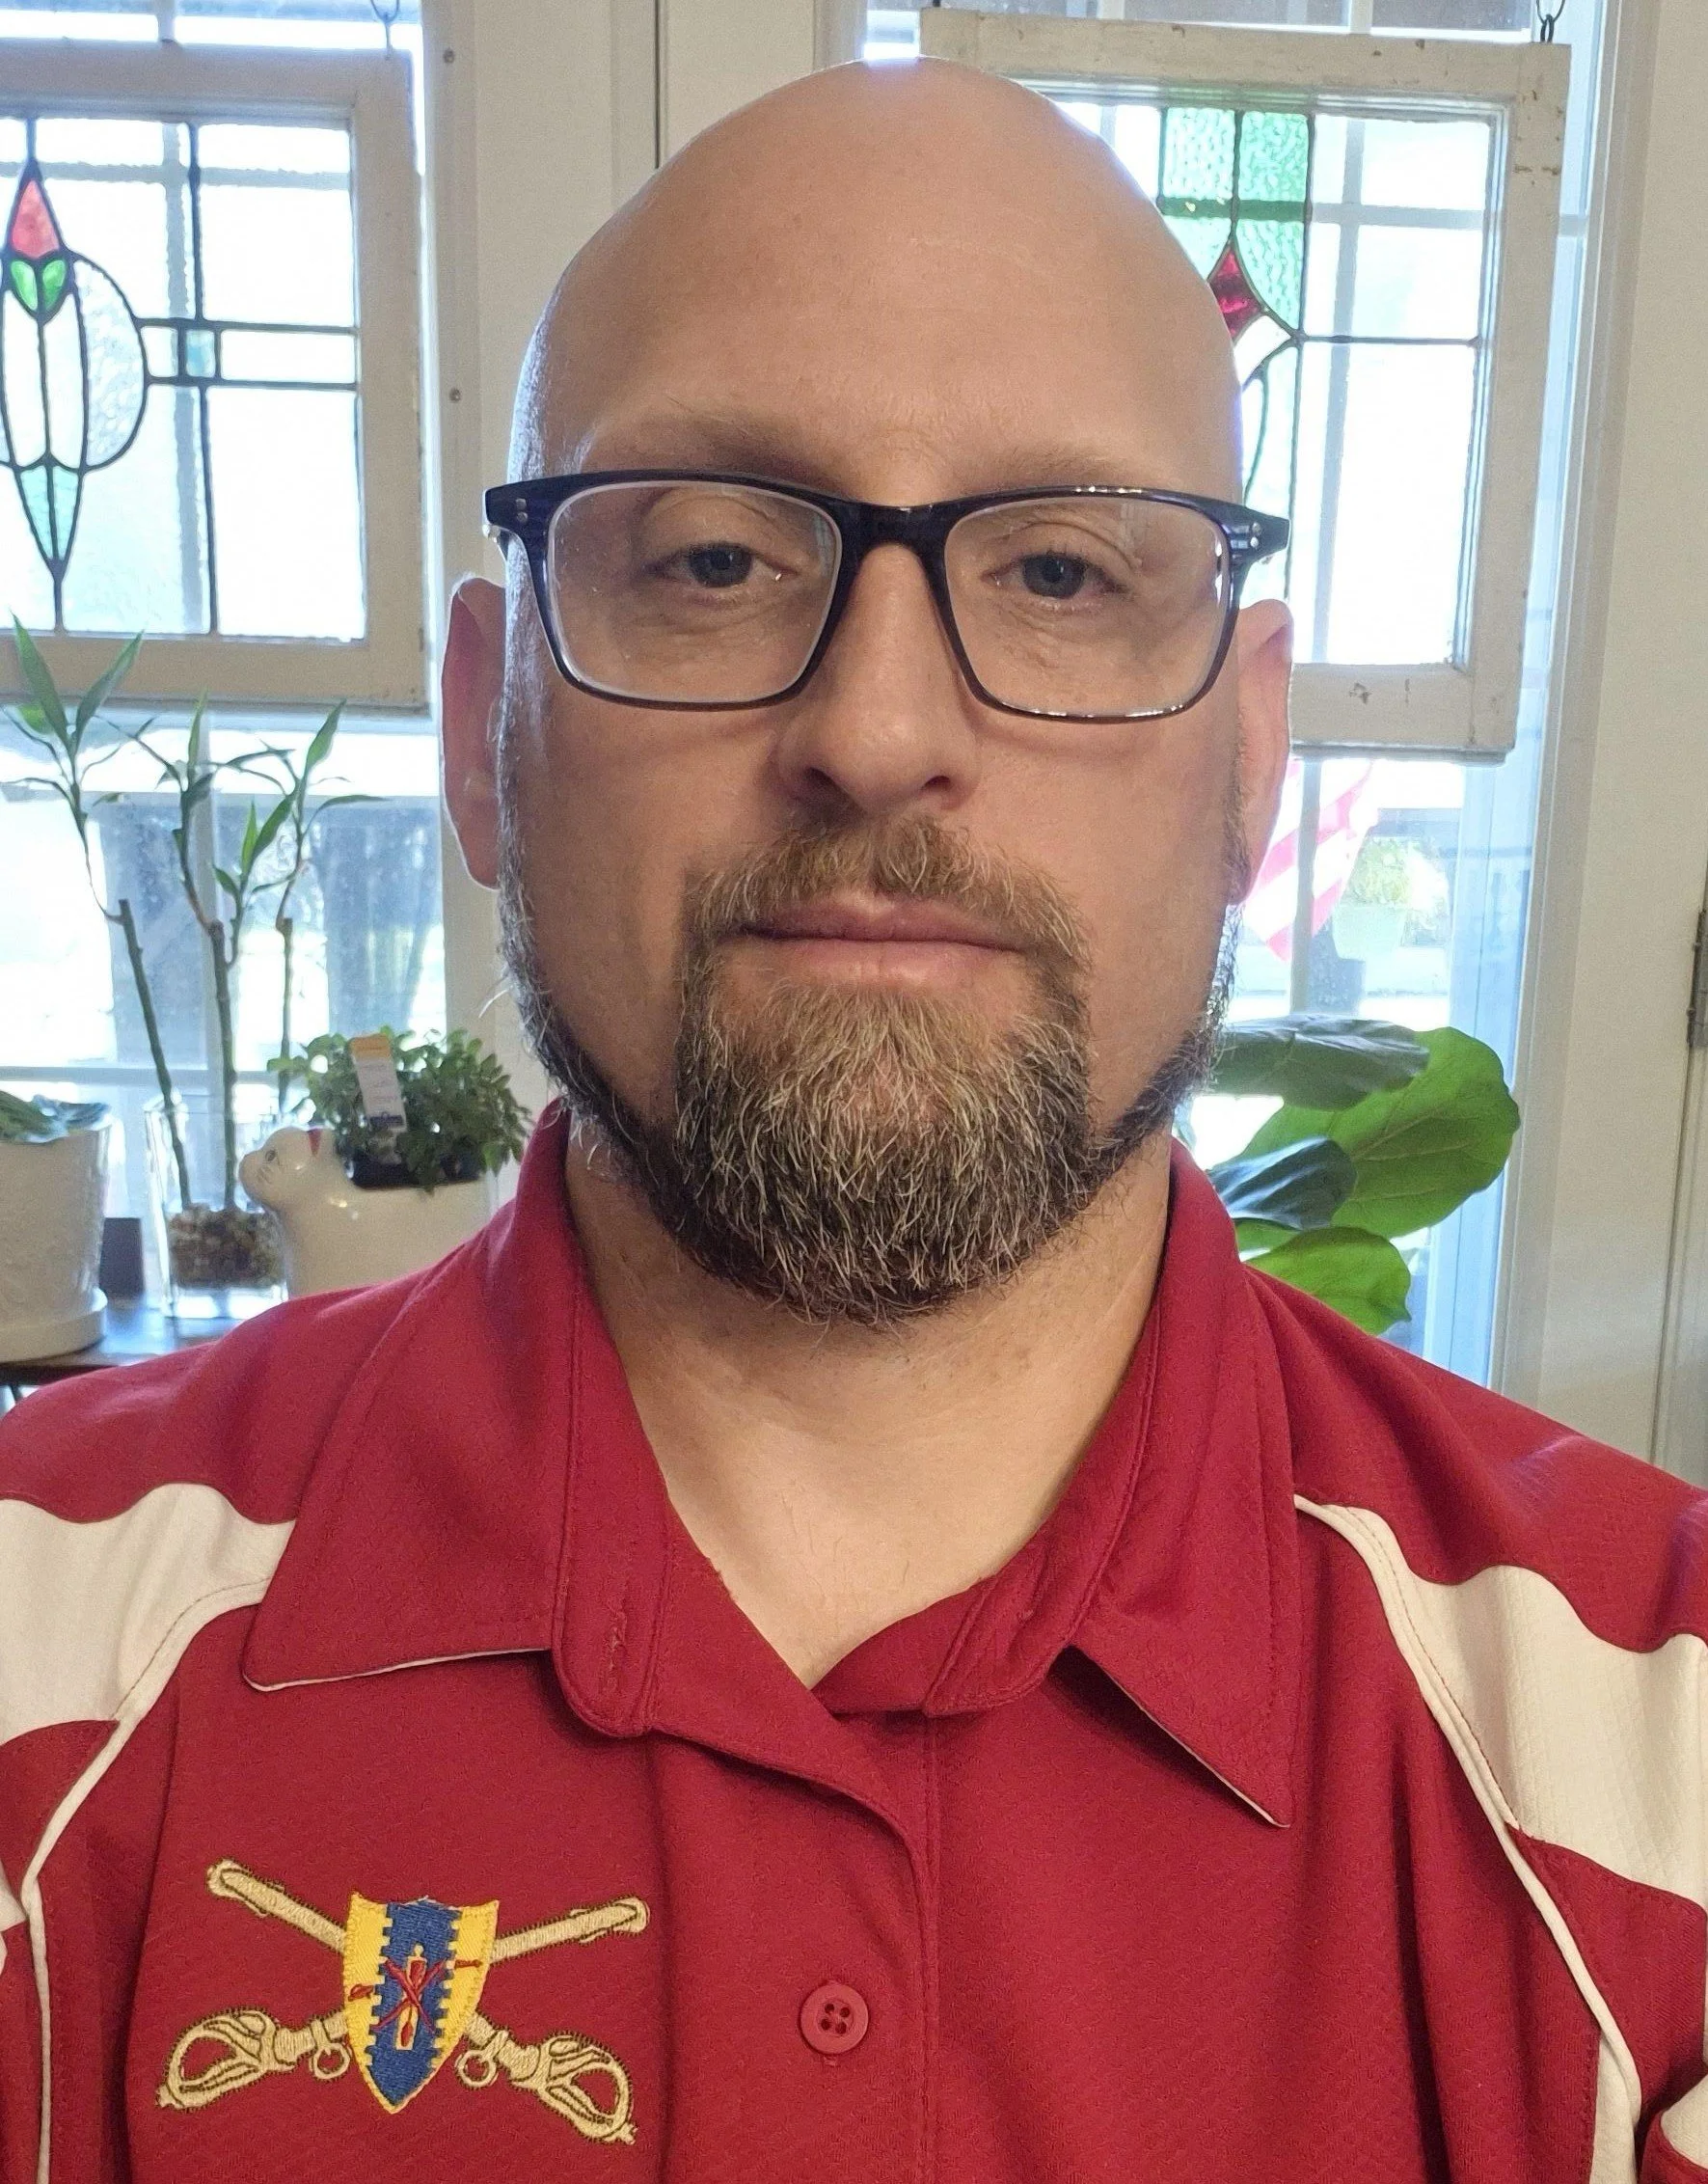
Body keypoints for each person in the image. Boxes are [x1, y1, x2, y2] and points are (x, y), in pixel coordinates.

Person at [0, 57, 1703, 2184]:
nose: (881, 733)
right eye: (711, 558)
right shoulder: (33, 1654)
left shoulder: (1664, 1755)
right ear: (481, 729)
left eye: (1067, 576)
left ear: (1251, 756)